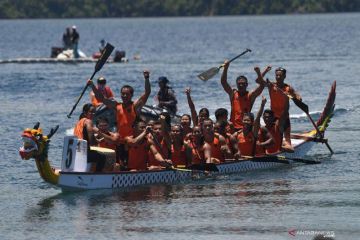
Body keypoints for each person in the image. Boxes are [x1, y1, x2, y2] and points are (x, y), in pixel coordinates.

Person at [88, 70, 151, 167]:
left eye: (127, 94)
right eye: (123, 94)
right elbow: (101, 98)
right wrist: (92, 85)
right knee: (120, 164)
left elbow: (147, 92)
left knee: (129, 161)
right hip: (120, 140)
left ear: (131, 95)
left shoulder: (135, 106)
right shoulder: (117, 106)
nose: (124, 96)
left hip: (132, 140)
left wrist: (146, 78)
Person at [221, 63, 270, 131]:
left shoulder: (250, 96)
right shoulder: (233, 94)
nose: (241, 85)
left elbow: (262, 86)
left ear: (246, 84)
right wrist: (226, 68)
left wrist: (258, 73)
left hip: (246, 127)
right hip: (233, 127)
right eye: (239, 84)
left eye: (243, 83)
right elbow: (224, 82)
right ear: (237, 85)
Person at [265, 67, 302, 152]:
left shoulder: (288, 88)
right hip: (273, 117)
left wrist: (298, 98)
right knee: (273, 137)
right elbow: (259, 81)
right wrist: (263, 72)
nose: (278, 77)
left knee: (289, 145)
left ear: (284, 76)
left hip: (284, 116)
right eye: (276, 75)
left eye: (280, 75)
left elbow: (296, 95)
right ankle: (277, 145)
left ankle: (282, 146)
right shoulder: (271, 86)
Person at [73, 103, 106, 172]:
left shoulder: (78, 123)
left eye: (94, 112)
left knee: (94, 153)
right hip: (83, 153)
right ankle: (97, 176)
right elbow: (91, 141)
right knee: (102, 157)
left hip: (75, 152)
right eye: (91, 112)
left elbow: (83, 136)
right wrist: (96, 141)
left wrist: (96, 140)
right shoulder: (88, 121)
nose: (93, 114)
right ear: (85, 113)